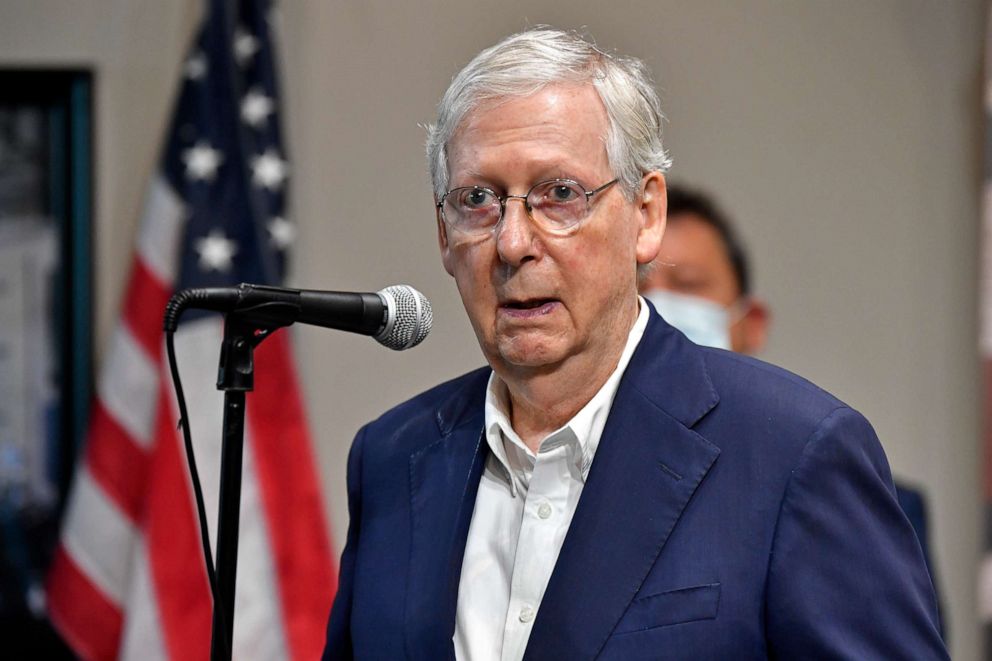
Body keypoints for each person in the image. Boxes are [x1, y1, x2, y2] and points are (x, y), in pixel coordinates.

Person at [323, 28, 946, 660]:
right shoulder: (392, 459)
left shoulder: (793, 453)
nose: (513, 243)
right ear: (443, 234)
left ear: (646, 215)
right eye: (477, 200)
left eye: (559, 194)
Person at [639, 183, 945, 638]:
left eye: (688, 286)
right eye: (640, 286)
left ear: (751, 323)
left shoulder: (848, 492)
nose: (658, 310)